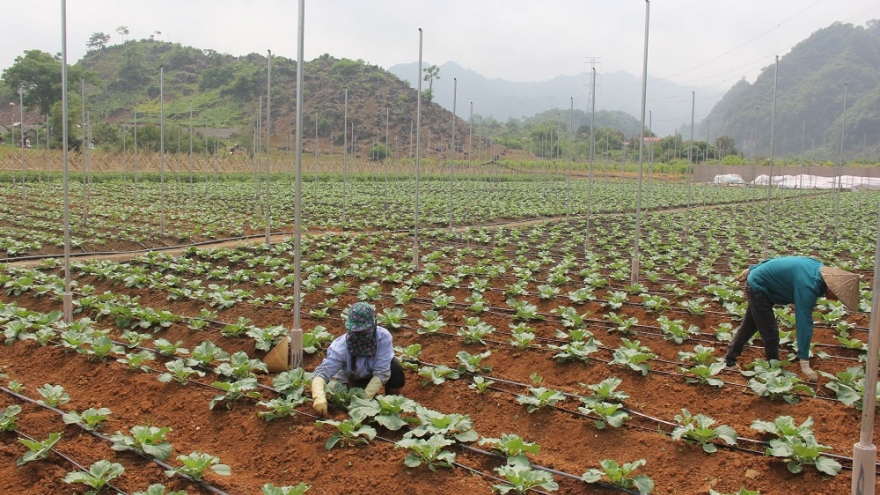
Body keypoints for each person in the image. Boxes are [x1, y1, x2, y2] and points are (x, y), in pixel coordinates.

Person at [724, 256, 859, 381]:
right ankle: (775, 374)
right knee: (770, 334)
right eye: (837, 296)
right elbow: (804, 321)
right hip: (759, 286)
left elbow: (781, 260)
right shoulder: (808, 286)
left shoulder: (817, 268)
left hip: (764, 283)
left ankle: (730, 361)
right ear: (831, 287)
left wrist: (753, 268)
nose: (835, 299)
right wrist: (804, 361)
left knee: (750, 325)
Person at [310, 302, 406, 417]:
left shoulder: (383, 337)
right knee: (364, 409)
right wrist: (318, 396)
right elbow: (323, 372)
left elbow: (382, 372)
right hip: (353, 380)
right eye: (356, 332)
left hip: (374, 377)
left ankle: (393, 404)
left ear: (374, 324)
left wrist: (367, 395)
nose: (360, 335)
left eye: (364, 331)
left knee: (394, 366)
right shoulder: (341, 347)